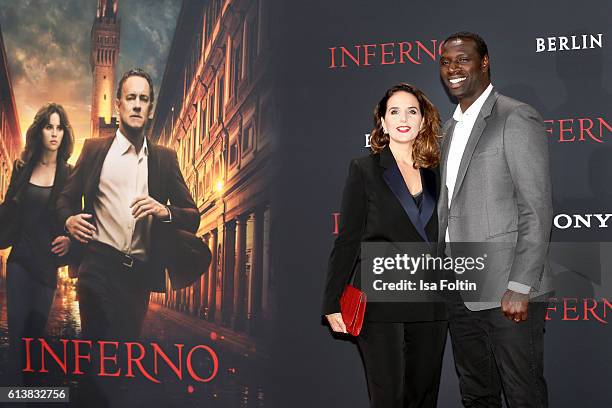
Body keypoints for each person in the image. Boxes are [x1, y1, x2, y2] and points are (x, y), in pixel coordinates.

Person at [437, 32, 552, 407]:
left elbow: (535, 207)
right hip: (459, 287)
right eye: (446, 61)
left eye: (463, 59)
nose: (453, 68)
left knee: (523, 395)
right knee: (476, 394)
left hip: (508, 290)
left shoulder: (515, 115)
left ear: (484, 63)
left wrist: (521, 284)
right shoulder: (448, 130)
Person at [322, 83, 447, 408]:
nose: (403, 118)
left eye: (412, 111)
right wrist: (332, 301)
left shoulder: (439, 172)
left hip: (430, 298)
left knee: (423, 396)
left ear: (423, 120)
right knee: (388, 397)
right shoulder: (364, 170)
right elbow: (348, 238)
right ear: (382, 121)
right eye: (394, 111)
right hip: (379, 297)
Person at [57, 68, 199, 342]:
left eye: (143, 99)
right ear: (118, 104)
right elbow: (65, 198)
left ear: (149, 109)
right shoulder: (93, 150)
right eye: (131, 97)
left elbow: (193, 217)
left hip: (138, 276)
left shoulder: (165, 160)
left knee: (124, 358)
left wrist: (165, 211)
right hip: (97, 265)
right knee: (96, 357)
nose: (136, 104)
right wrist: (69, 221)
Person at [1, 103, 74, 384]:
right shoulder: (21, 168)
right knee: (17, 337)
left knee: (34, 340)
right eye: (48, 127)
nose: (54, 133)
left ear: (63, 134)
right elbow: (8, 209)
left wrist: (69, 241)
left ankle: (29, 394)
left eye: (59, 128)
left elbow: (74, 217)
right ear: (39, 131)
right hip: (20, 260)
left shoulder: (69, 173)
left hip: (46, 266)